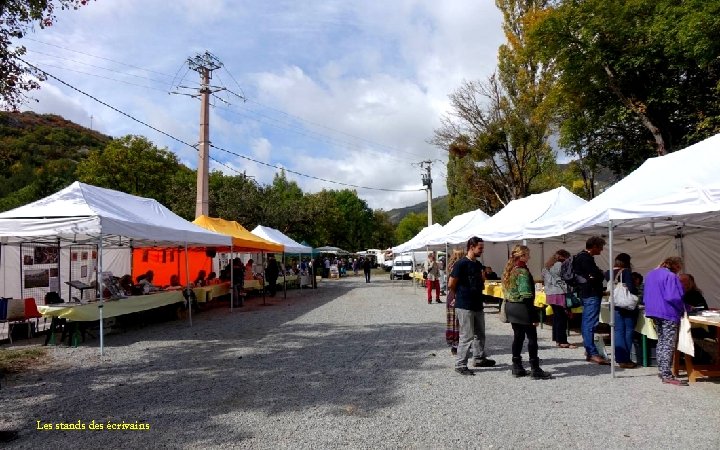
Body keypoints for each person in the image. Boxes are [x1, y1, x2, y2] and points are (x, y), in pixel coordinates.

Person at [502, 245, 552, 379]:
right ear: (522, 256)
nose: (529, 257)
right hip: (522, 307)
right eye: (527, 254)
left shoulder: (510, 269)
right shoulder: (522, 271)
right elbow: (526, 295)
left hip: (511, 307)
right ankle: (535, 369)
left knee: (518, 337)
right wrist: (534, 315)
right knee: (532, 338)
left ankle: (517, 366)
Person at [448, 236, 495, 375]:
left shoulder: (477, 264)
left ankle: (479, 358)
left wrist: (483, 275)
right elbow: (451, 284)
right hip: (464, 305)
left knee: (480, 334)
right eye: (480, 248)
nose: (482, 250)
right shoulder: (460, 264)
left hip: (477, 304)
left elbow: (481, 280)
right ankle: (460, 364)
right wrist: (460, 295)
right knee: (466, 335)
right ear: (471, 247)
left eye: (482, 248)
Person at [644, 257, 688, 386]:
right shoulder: (671, 276)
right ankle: (667, 375)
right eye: (679, 267)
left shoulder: (651, 274)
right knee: (668, 343)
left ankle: (662, 370)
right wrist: (685, 308)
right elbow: (673, 296)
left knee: (661, 342)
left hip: (654, 311)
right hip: (668, 312)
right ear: (676, 266)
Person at [572, 236, 610, 365]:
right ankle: (592, 352)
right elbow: (597, 276)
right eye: (600, 247)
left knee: (587, 322)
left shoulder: (580, 257)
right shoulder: (585, 258)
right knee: (590, 323)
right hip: (591, 293)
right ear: (594, 246)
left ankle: (589, 350)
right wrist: (599, 274)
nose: (601, 250)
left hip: (586, 293)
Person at [605, 253, 640, 369]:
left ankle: (620, 358)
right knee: (628, 330)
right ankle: (625, 359)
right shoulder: (625, 272)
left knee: (618, 331)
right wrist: (637, 292)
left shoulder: (608, 272)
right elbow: (631, 288)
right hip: (626, 304)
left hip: (614, 303)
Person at [541, 249, 576, 349]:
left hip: (550, 294)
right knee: (562, 318)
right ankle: (562, 341)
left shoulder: (547, 266)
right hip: (559, 293)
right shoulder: (560, 265)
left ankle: (557, 339)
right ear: (563, 257)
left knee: (556, 317)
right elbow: (566, 278)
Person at [445, 249, 464, 355]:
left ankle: (454, 345)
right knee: (460, 322)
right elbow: (453, 284)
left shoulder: (450, 265)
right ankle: (458, 345)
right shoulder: (458, 266)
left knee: (452, 322)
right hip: (457, 295)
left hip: (451, 296)